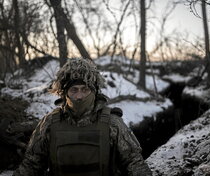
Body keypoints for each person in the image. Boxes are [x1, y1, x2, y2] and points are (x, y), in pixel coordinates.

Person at [13, 58, 152, 176]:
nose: (79, 96)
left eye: (85, 89)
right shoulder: (49, 123)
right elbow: (31, 164)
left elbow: (134, 162)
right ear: (64, 93)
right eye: (74, 90)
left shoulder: (112, 122)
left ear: (94, 91)